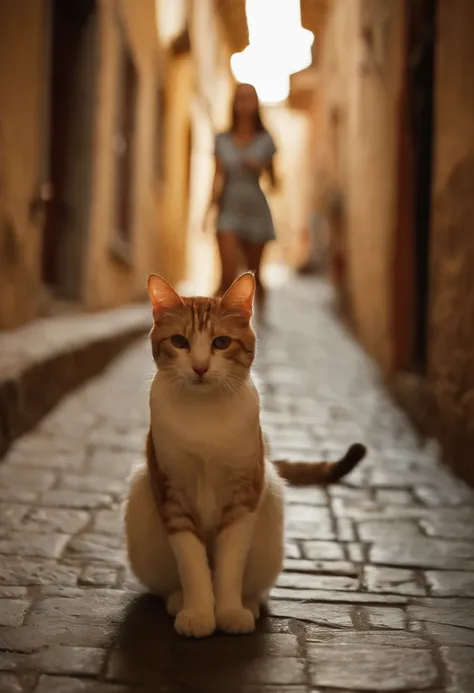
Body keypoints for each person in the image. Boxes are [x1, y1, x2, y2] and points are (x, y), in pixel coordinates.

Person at [209, 83, 277, 313]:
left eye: (249, 99)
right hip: (229, 206)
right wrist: (208, 209)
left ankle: (263, 316)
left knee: (253, 274)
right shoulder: (222, 140)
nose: (244, 104)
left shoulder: (266, 141)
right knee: (227, 274)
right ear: (234, 103)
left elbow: (276, 182)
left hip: (255, 207)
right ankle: (215, 323)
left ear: (256, 104)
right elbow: (217, 176)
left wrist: (259, 167)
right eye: (240, 99)